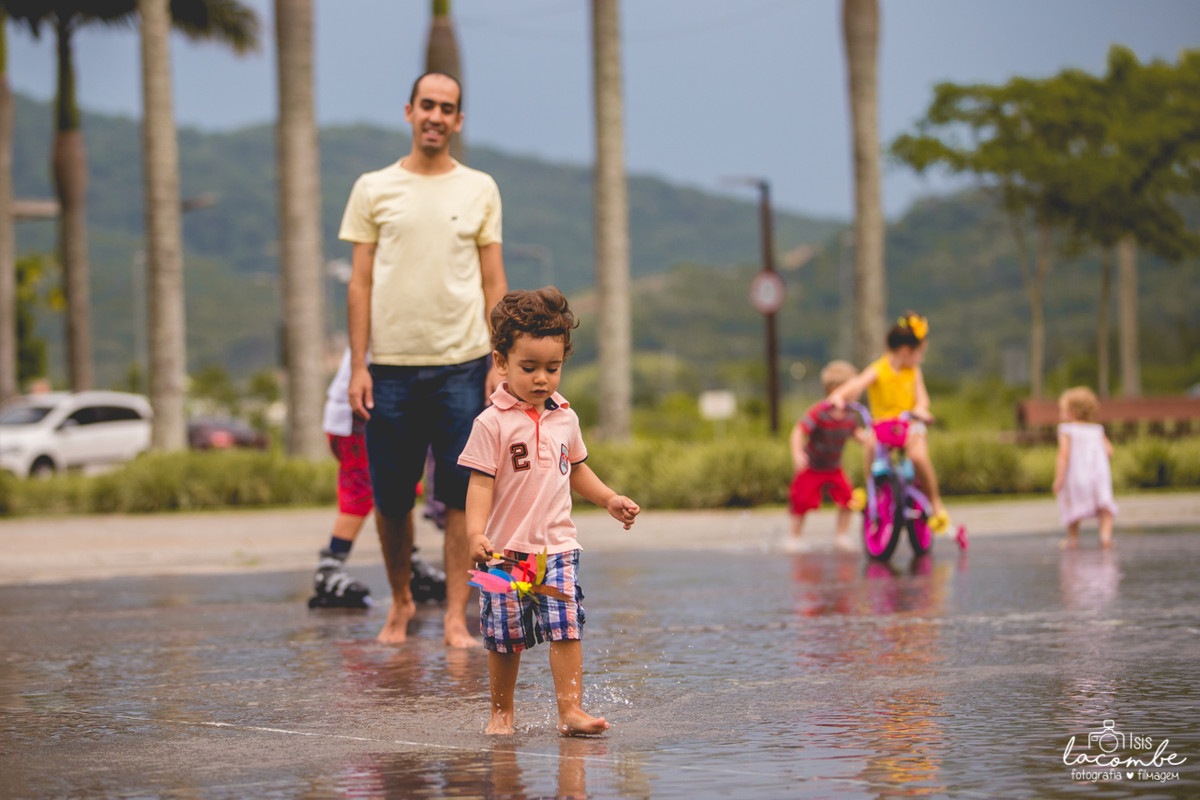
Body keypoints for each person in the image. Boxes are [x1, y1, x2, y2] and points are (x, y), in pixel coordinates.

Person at [339, 71, 508, 647]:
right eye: (427, 105)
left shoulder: (480, 188)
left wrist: (498, 361)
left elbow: (493, 281)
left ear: (458, 121)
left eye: (448, 108)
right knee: (390, 496)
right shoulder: (372, 187)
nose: (436, 116)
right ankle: (401, 603)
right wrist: (358, 365)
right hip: (388, 368)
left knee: (462, 496)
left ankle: (458, 617)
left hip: (462, 366)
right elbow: (359, 283)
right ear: (409, 112)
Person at [459, 288, 640, 736]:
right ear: (501, 362)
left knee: (566, 627)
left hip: (557, 547)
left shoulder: (566, 418)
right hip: (502, 553)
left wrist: (609, 499)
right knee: (502, 637)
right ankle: (501, 713)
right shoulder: (491, 422)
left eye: (552, 368)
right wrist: (474, 535)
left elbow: (577, 470)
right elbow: (479, 483)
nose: (542, 379)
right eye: (529, 368)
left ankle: (571, 711)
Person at [309, 348, 446, 609]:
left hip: (387, 412)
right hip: (358, 416)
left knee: (401, 487)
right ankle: (329, 566)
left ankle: (409, 562)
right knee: (362, 491)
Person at [829, 312, 950, 532]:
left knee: (918, 456)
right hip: (883, 427)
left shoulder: (913, 372)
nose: (920, 359)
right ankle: (871, 488)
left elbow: (922, 398)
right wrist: (839, 397)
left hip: (909, 424)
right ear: (906, 351)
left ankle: (935, 503)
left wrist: (920, 410)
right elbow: (857, 385)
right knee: (870, 443)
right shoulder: (879, 369)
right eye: (919, 353)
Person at [787, 360, 867, 552]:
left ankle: (841, 535)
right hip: (812, 466)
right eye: (852, 386)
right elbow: (798, 430)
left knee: (848, 498)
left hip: (833, 467)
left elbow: (857, 434)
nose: (857, 390)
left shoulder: (850, 415)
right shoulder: (820, 412)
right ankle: (794, 537)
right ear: (835, 388)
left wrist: (871, 439)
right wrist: (797, 454)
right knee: (801, 500)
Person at [1053, 386, 1116, 549]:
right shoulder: (1097, 429)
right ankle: (1105, 537)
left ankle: (1073, 539)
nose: (1060, 413)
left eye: (1063, 409)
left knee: (1072, 505)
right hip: (1098, 476)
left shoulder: (1066, 430)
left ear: (1072, 412)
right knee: (1105, 507)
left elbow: (1063, 454)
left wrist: (1059, 478)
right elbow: (1109, 451)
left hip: (1076, 477)